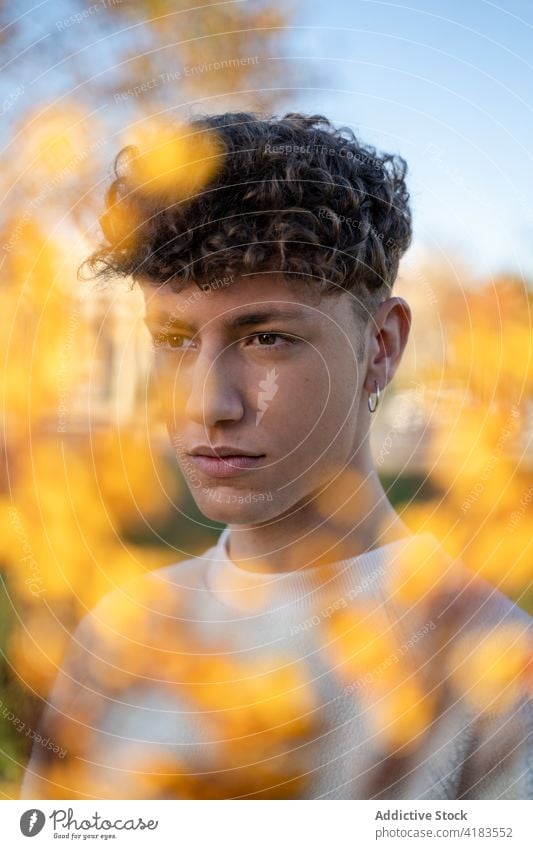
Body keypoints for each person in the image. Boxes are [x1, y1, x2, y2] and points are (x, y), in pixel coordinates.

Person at [21, 112, 532, 800]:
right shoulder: (115, 637)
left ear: (379, 347)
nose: (207, 404)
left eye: (264, 338)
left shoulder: (492, 671)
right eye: (173, 340)